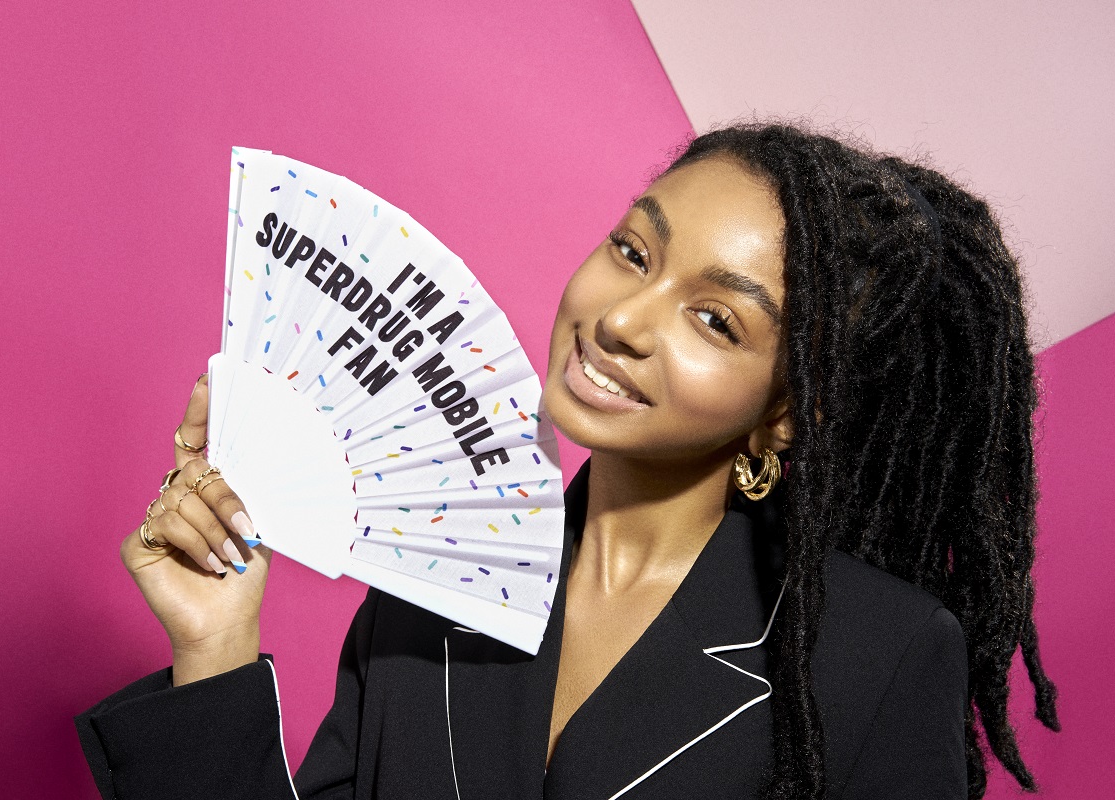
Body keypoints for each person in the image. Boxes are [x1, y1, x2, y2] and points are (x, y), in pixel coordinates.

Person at [76, 123, 1059, 800]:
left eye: (713, 318)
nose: (622, 318)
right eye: (634, 251)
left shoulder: (876, 652)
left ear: (789, 416)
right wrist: (214, 647)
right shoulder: (431, 572)